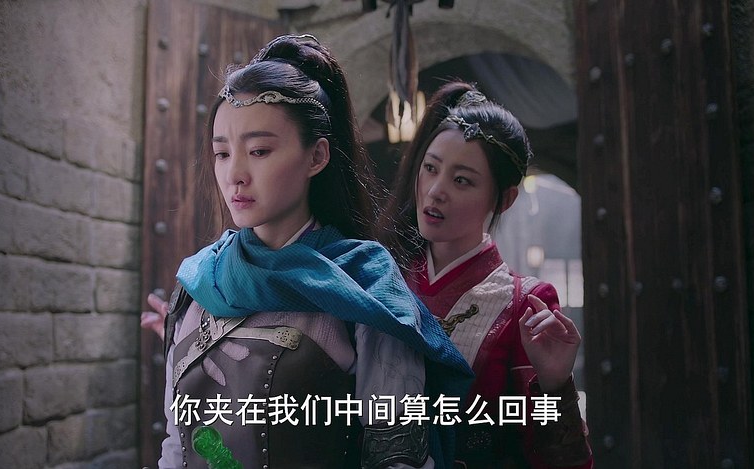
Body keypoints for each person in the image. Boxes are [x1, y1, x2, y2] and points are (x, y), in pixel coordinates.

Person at [152, 34, 473, 469]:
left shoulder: (364, 289)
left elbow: (397, 459)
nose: (235, 174)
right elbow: (175, 446)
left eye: (259, 150)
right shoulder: (198, 283)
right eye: (222, 153)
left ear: (317, 156)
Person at [379, 81, 593, 468]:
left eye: (462, 180)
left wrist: (555, 384)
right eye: (430, 169)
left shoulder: (525, 304)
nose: (435, 191)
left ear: (504, 199)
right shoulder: (382, 277)